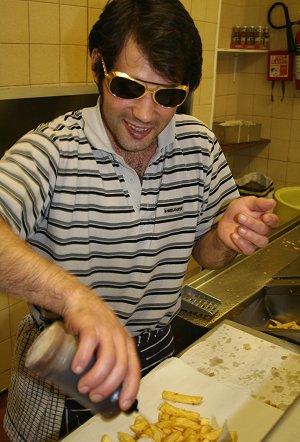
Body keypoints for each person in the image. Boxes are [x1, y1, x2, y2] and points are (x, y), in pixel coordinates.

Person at [2, 0, 278, 440]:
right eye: (129, 87)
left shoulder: (198, 147)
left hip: (157, 354)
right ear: (98, 64)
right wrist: (78, 300)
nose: (146, 115)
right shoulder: (50, 151)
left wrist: (226, 236)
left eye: (167, 95)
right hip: (64, 365)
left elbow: (207, 253)